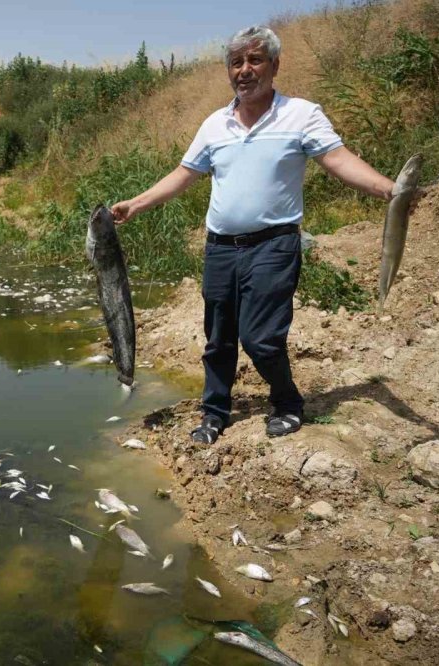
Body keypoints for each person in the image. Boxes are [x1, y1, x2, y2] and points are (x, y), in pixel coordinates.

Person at [111, 25, 398, 445]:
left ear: (274, 65)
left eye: (255, 60)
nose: (244, 70)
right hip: (221, 248)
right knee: (218, 338)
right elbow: (183, 174)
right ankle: (214, 411)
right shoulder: (215, 124)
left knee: (261, 338)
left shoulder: (302, 114)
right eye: (236, 62)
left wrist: (390, 191)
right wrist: (136, 204)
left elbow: (339, 160)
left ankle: (286, 402)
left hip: (273, 244)